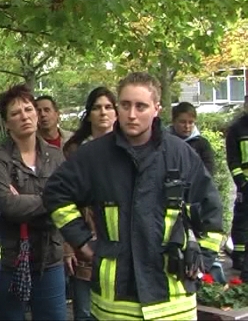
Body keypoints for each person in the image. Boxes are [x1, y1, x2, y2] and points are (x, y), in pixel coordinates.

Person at [44, 72, 224, 320]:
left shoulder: (180, 154)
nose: (131, 114)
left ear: (157, 109)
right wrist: (81, 241)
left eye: (141, 106)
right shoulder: (95, 156)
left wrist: (202, 257)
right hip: (115, 304)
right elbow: (55, 193)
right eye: (125, 105)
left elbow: (211, 212)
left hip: (173, 304)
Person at [0, 84, 67, 320]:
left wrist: (26, 201)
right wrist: (50, 200)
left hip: (49, 257)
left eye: (29, 109)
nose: (24, 116)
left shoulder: (55, 156)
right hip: (11, 260)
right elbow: (8, 206)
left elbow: (69, 201)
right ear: (6, 122)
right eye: (15, 113)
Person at [62, 86, 117, 321]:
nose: (103, 113)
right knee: (85, 310)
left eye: (108, 107)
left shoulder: (131, 147)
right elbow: (62, 200)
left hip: (121, 243)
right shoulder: (75, 151)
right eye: (97, 108)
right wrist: (68, 244)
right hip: (84, 239)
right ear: (89, 114)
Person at [225, 95, 248, 272]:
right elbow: (233, 160)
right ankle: (240, 257)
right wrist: (242, 183)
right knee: (242, 221)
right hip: (245, 186)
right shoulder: (236, 129)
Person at [169, 101, 215, 175]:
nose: (187, 126)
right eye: (182, 122)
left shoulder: (202, 144)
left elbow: (208, 173)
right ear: (173, 121)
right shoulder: (164, 142)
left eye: (191, 122)